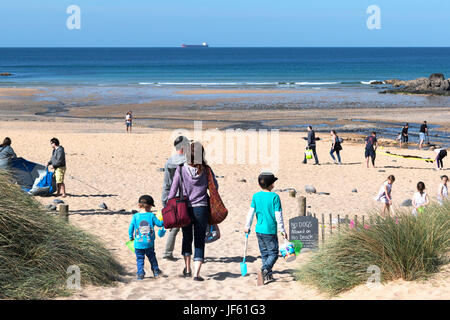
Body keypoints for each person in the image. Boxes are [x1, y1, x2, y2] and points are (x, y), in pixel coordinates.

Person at [167, 142, 218, 281]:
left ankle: (188, 269)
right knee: (199, 240)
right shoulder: (206, 170)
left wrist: (169, 206)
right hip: (202, 208)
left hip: (185, 208)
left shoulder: (181, 169)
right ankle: (196, 274)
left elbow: (173, 190)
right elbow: (215, 187)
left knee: (186, 238)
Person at [244, 172, 288, 285]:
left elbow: (251, 213)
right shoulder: (275, 197)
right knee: (273, 253)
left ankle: (268, 276)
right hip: (270, 230)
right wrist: (282, 230)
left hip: (259, 230)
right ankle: (265, 269)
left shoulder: (256, 196)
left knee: (265, 254)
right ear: (272, 184)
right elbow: (278, 215)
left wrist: (247, 226)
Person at [161, 135, 190, 261]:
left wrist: (165, 199)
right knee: (188, 227)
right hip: (187, 196)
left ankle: (168, 253)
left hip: (173, 197)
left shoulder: (170, 161)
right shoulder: (190, 160)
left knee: (175, 226)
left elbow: (166, 182)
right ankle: (188, 254)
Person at [128, 195, 164, 280]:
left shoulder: (135, 216)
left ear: (139, 205)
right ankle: (155, 271)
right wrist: (164, 220)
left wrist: (131, 237)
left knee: (140, 259)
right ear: (150, 206)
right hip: (149, 243)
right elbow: (159, 224)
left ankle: (140, 274)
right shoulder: (151, 215)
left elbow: (131, 228)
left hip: (138, 243)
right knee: (152, 256)